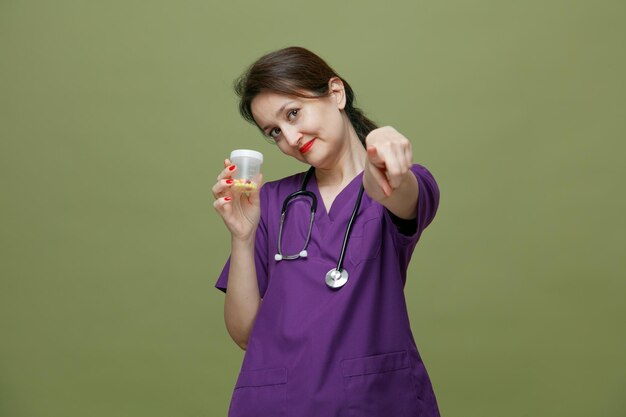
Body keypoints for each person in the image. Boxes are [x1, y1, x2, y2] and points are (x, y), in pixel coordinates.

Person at [212, 46, 441, 417]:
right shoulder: (270, 201)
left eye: (293, 113)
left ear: (336, 93)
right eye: (274, 131)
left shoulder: (394, 188)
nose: (289, 136)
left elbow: (396, 190)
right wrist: (242, 236)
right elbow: (245, 336)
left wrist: (384, 148)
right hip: (278, 406)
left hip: (374, 401)